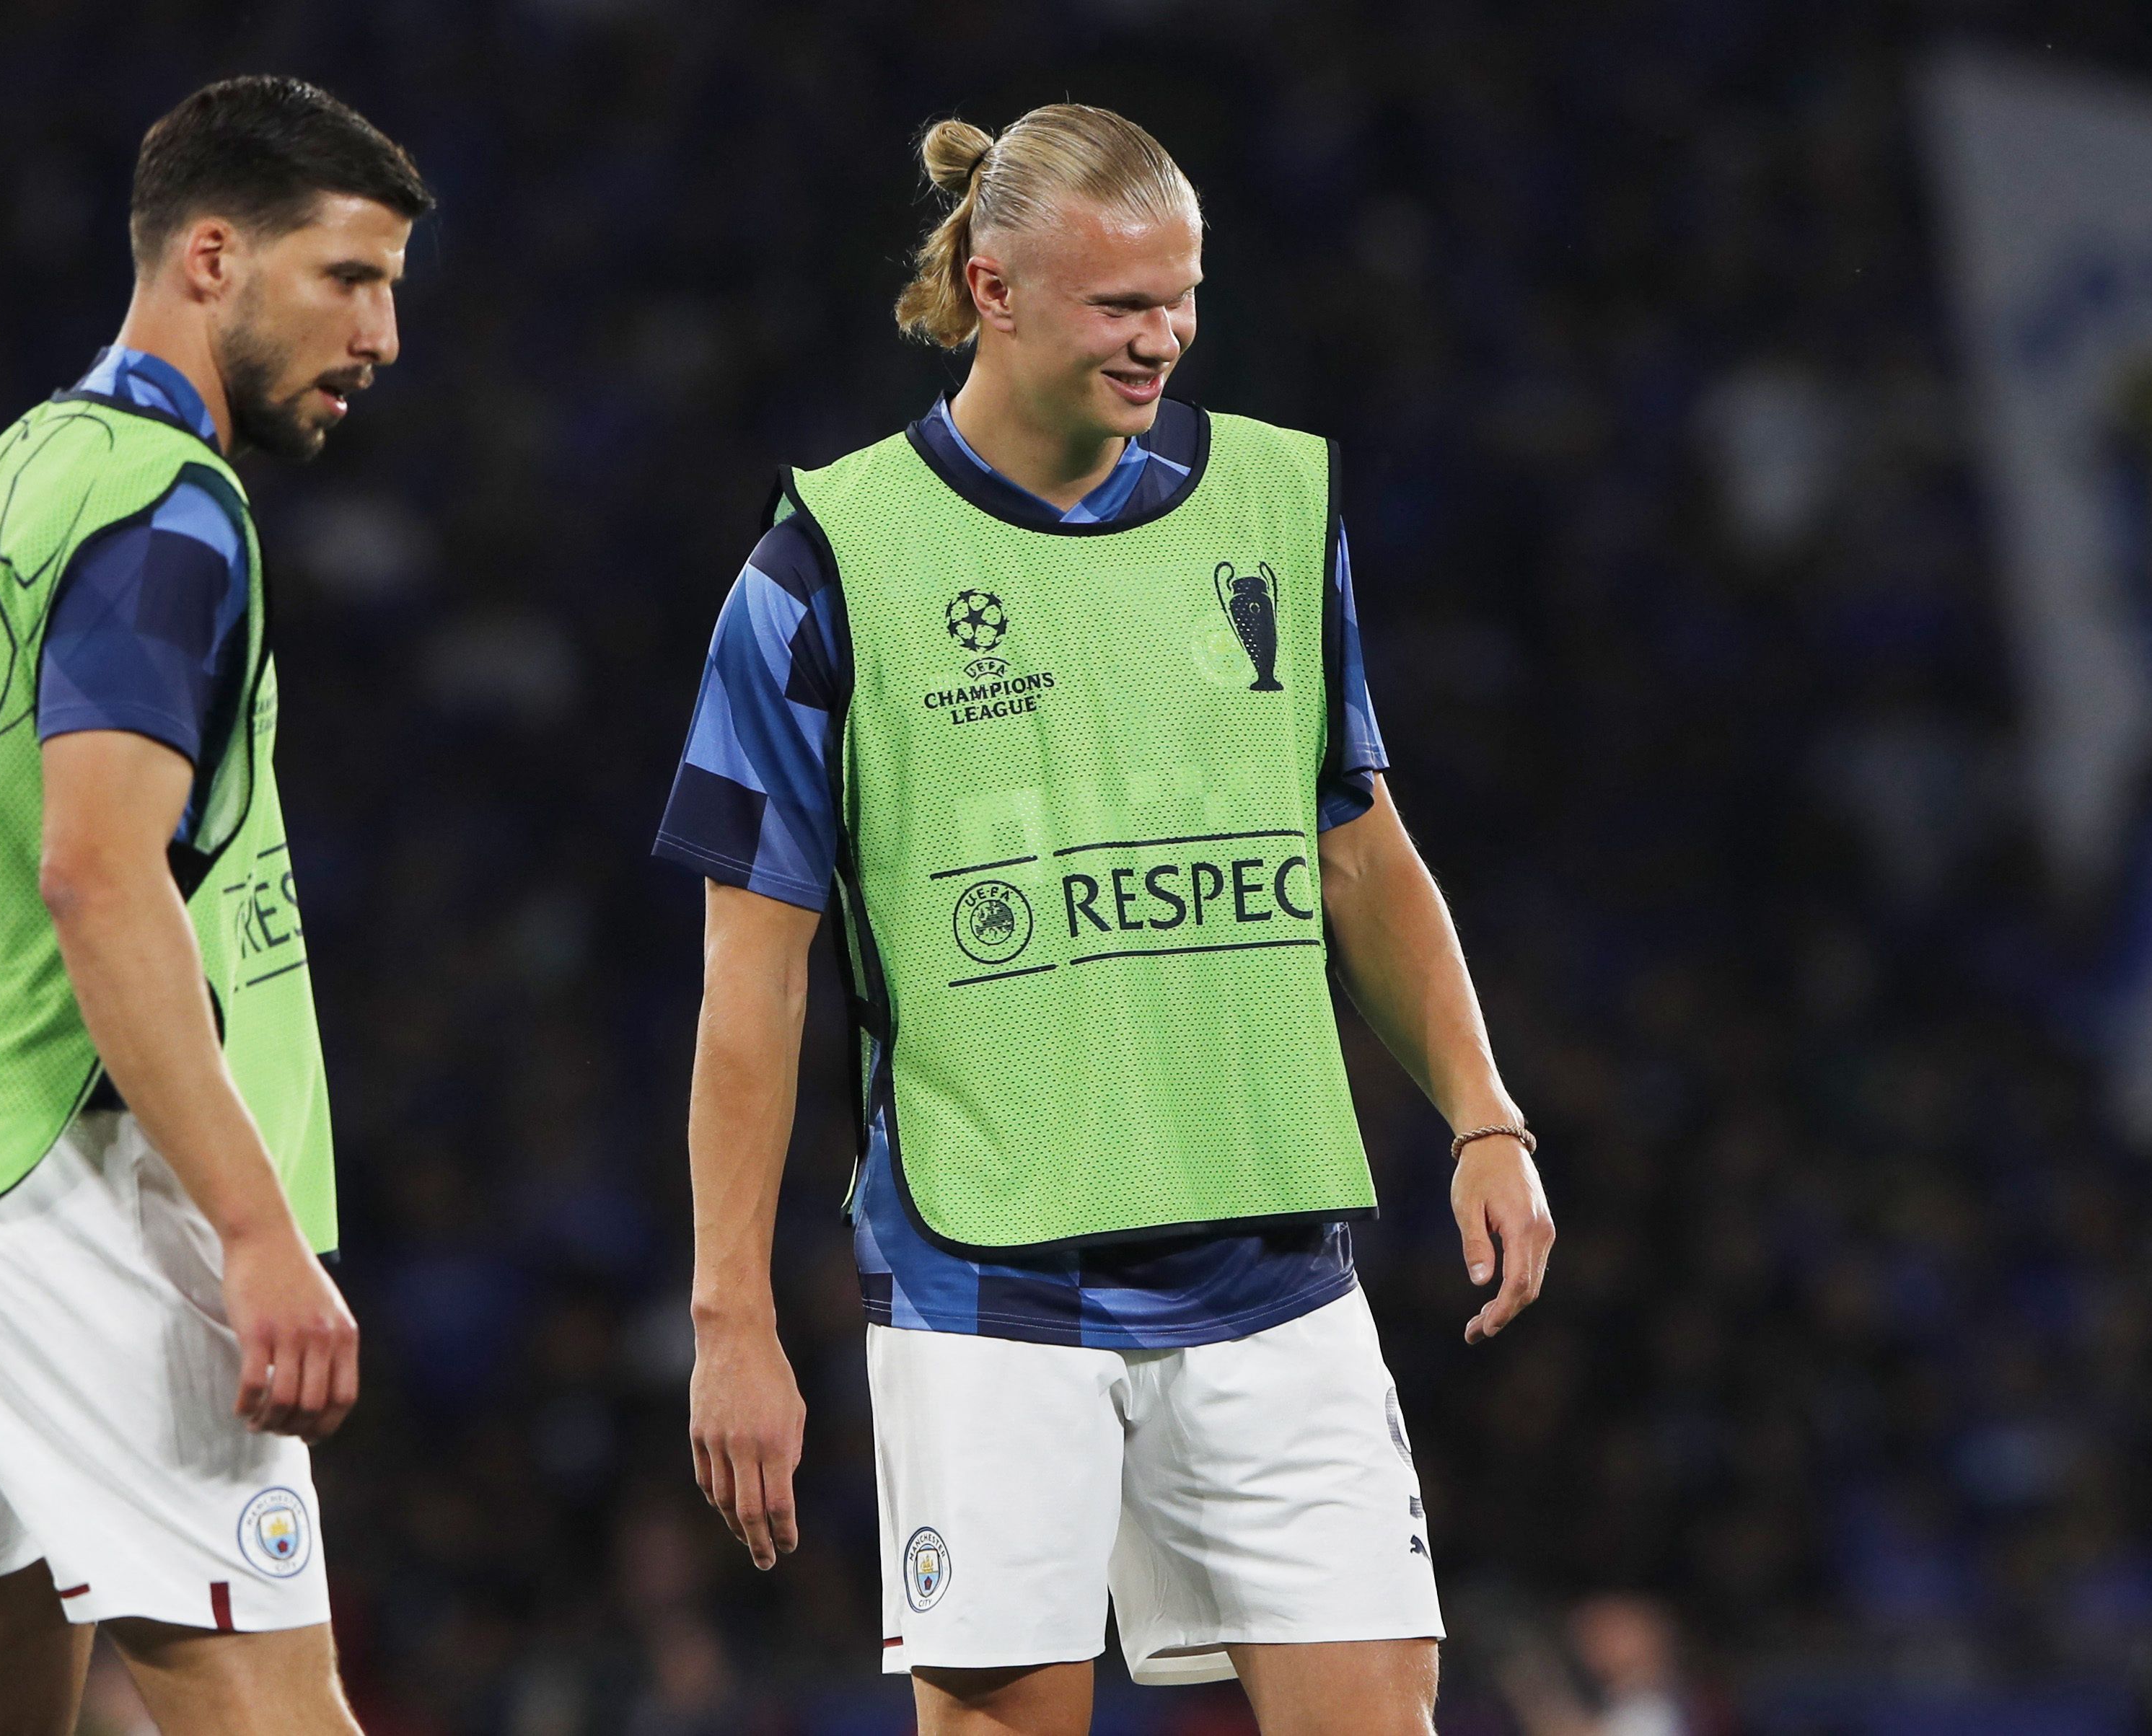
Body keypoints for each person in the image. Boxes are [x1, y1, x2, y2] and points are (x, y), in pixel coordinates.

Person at [656, 105, 1555, 1735]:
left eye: (1181, 296)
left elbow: (1357, 844)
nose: (1164, 339)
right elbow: (750, 983)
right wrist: (729, 1317)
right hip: (989, 1285)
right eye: (1119, 306)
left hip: (1272, 1265)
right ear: (990, 290)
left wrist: (1482, 1116)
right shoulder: (821, 571)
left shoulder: (1274, 505)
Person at [0, 76, 428, 1735]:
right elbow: (94, 869)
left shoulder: (3, 485)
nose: (379, 335)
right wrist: (247, 1227)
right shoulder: (168, 510)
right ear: (213, 258)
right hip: (68, 1195)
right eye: (346, 280)